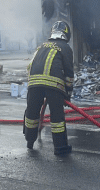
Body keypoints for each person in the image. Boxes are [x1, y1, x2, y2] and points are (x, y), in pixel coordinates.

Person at [23, 20, 75, 155]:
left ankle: (29, 141)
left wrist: (32, 84)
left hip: (34, 83)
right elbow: (69, 73)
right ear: (66, 34)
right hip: (54, 85)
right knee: (57, 117)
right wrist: (68, 93)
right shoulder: (65, 47)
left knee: (32, 114)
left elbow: (30, 66)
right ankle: (60, 148)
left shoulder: (41, 46)